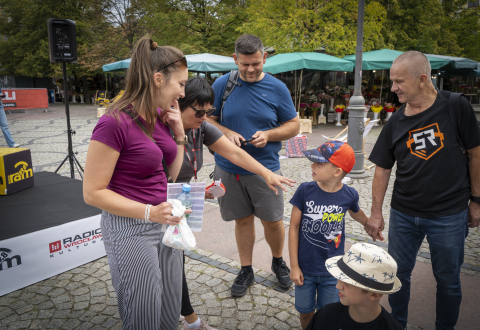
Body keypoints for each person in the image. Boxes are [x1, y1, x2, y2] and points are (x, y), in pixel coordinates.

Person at [366, 51, 480, 329]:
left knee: (448, 280)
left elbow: (476, 154)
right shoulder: (395, 121)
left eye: (398, 82)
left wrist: (476, 200)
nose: (392, 88)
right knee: (397, 276)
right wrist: (376, 213)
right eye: (392, 81)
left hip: (449, 215)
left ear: (422, 79)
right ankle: (398, 324)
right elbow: (382, 168)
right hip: (404, 215)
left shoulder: (455, 105)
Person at [83, 36, 190, 330]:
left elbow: (170, 174)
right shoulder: (114, 122)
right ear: (158, 79)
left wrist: (179, 133)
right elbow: (92, 193)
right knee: (143, 313)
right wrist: (147, 212)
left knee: (169, 311)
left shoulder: (158, 116)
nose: (183, 92)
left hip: (164, 221)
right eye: (180, 84)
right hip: (130, 227)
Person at [175, 77, 296, 330]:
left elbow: (235, 152)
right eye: (200, 112)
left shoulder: (200, 128)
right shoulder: (171, 128)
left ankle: (187, 318)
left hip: (174, 205)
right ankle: (186, 316)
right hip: (153, 211)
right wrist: (179, 137)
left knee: (175, 261)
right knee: (166, 266)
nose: (206, 116)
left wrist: (266, 173)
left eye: (209, 112)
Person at [207, 34, 300, 297]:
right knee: (242, 221)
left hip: (266, 169)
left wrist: (269, 135)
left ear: (264, 58)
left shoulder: (277, 88)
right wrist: (225, 132)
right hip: (229, 168)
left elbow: (293, 125)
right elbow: (207, 120)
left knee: (272, 221)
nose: (250, 69)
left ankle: (278, 260)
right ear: (235, 59)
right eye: (244, 64)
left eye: (256, 63)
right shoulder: (222, 84)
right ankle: (246, 269)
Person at [289, 141, 371, 329]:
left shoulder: (349, 195)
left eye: (319, 163)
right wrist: (294, 266)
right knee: (305, 311)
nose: (312, 166)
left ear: (337, 172)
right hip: (305, 269)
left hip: (333, 271)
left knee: (328, 313)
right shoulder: (305, 190)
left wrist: (368, 224)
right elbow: (293, 227)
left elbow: (355, 212)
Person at [305, 243, 404, 330]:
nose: (338, 286)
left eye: (347, 284)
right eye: (340, 278)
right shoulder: (326, 315)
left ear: (374, 295)